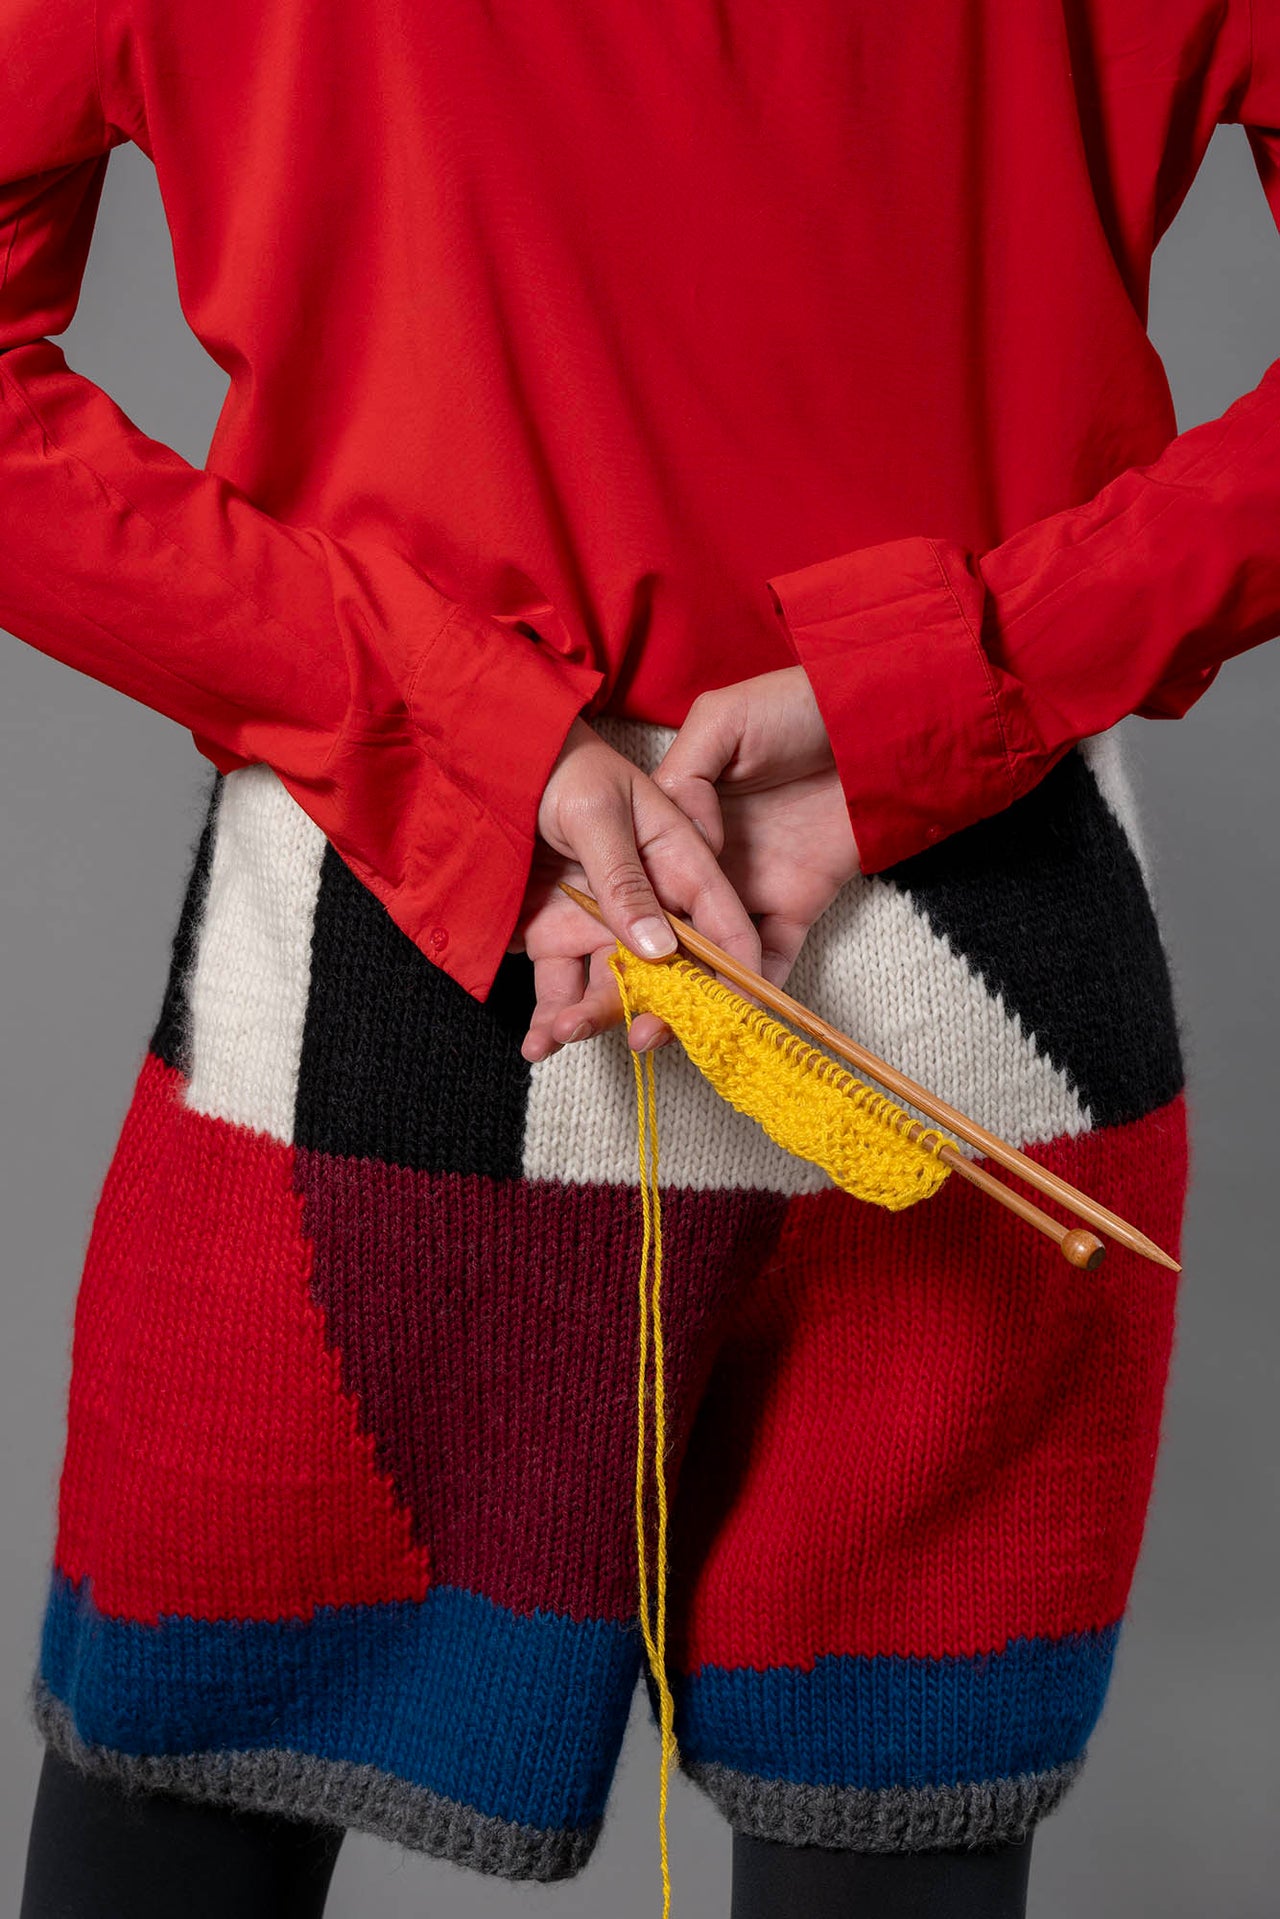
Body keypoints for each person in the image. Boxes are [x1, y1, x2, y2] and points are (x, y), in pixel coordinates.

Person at [4, 2, 1278, 1914]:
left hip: (412, 933)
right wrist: (956, 680)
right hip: (956, 929)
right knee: (894, 1823)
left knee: (185, 1786)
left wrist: (441, 719)